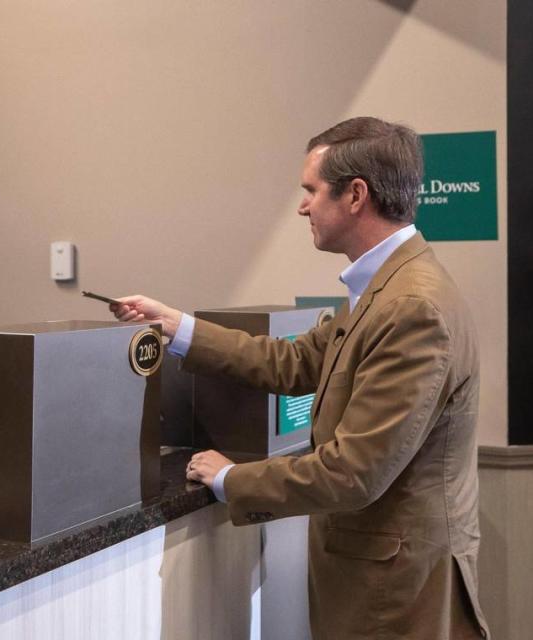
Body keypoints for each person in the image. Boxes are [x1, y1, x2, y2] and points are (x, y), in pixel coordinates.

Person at [112, 117, 489, 639]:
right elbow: (292, 363)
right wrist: (177, 327)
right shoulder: (389, 286)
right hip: (381, 577)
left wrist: (230, 479)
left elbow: (354, 471)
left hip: (395, 596)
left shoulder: (410, 306)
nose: (302, 206)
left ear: (355, 195)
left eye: (311, 190)